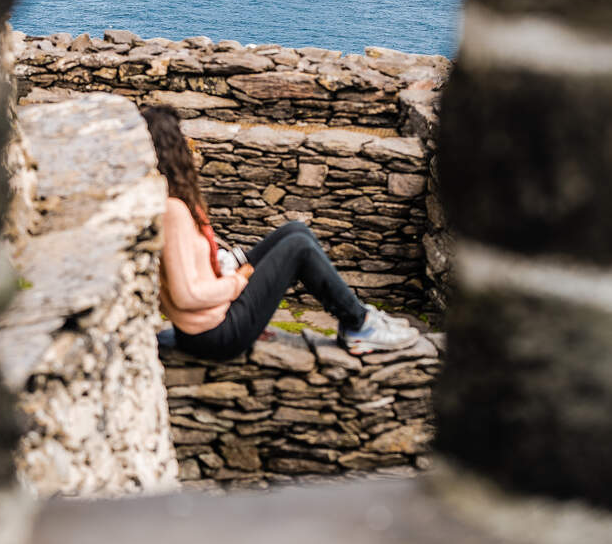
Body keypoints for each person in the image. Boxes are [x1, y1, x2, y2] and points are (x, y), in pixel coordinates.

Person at [141, 104, 419, 361]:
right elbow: (185, 295)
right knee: (298, 246)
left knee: (295, 230)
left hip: (213, 321)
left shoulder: (168, 202)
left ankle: (358, 317)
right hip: (215, 335)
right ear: (172, 148)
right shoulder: (173, 210)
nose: (191, 147)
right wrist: (237, 284)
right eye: (183, 140)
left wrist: (232, 273)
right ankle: (359, 325)